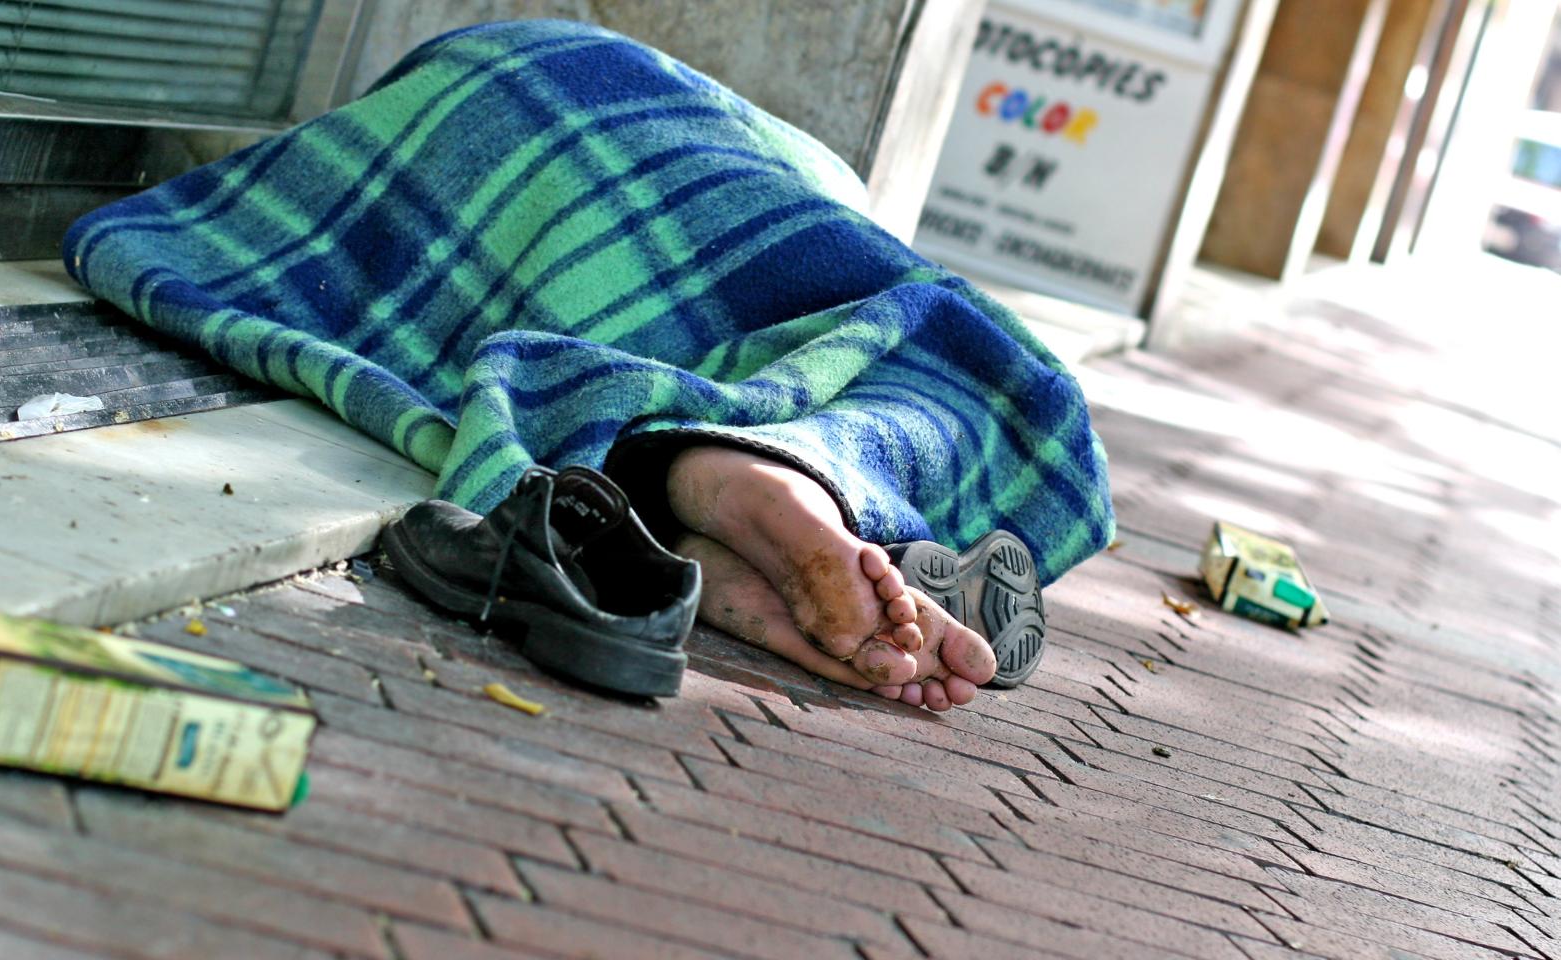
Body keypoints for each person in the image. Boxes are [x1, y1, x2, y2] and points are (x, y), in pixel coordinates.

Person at [64, 19, 1114, 712]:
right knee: (918, 349)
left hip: (505, 109)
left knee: (848, 322)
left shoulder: (552, 70)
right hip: (608, 141)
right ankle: (759, 473)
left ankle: (729, 486)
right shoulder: (797, 167)